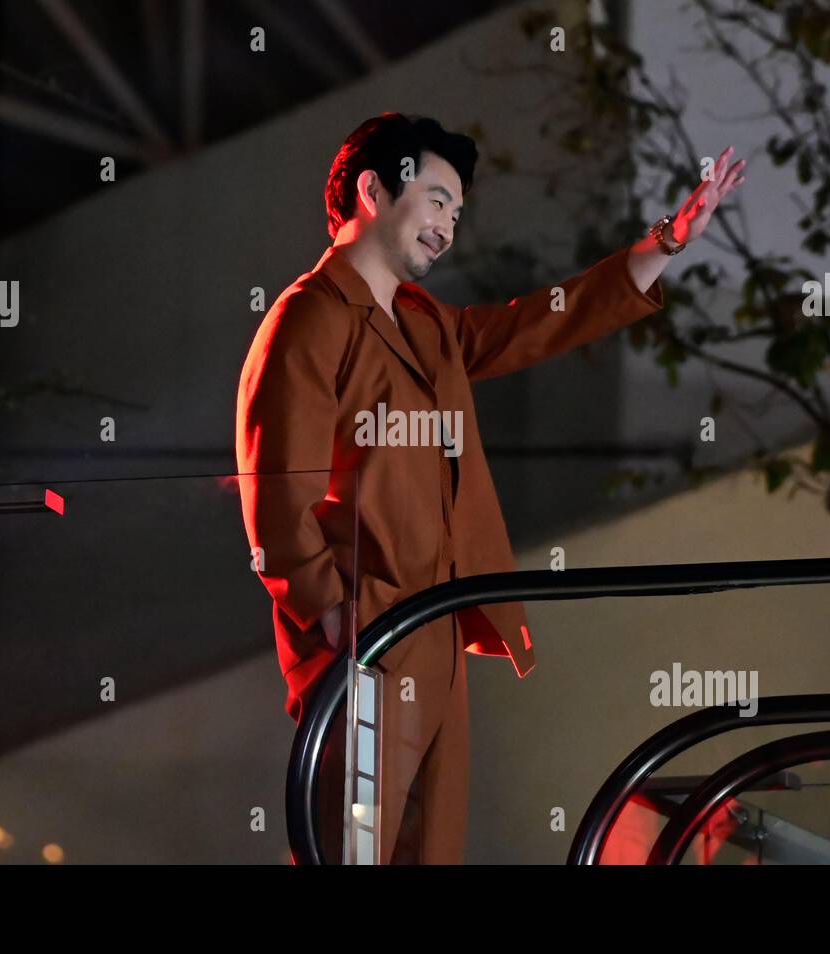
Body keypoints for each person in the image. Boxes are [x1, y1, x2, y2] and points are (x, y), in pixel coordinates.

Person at [236, 112, 745, 863]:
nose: (448, 225)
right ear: (373, 190)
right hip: (371, 634)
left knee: (427, 849)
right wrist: (334, 612)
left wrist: (663, 244)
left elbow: (534, 326)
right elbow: (277, 491)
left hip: (432, 626)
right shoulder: (310, 317)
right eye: (437, 198)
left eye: (457, 211)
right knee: (353, 848)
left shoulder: (423, 323)